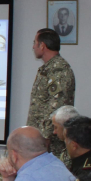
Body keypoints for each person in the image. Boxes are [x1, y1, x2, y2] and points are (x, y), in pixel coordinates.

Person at [27, 28, 75, 160]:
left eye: (35, 43)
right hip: (41, 139)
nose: (33, 46)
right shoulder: (47, 69)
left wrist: (45, 137)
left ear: (42, 46)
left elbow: (56, 107)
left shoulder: (58, 70)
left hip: (51, 144)